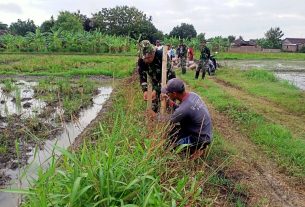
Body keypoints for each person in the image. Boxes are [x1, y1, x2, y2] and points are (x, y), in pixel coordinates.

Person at [161, 78, 213, 159]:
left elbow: (170, 119)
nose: (167, 94)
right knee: (177, 129)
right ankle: (198, 147)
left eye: (168, 93)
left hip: (199, 139)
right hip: (206, 133)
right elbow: (182, 110)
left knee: (170, 146)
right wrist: (169, 101)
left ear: (174, 93)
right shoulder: (192, 95)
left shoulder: (185, 108)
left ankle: (196, 149)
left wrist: (154, 116)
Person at [137, 40, 176, 112]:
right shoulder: (141, 61)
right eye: (145, 58)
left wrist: (156, 90)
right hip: (155, 79)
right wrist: (145, 90)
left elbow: (166, 76)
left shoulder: (162, 56)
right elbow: (142, 76)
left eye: (149, 57)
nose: (147, 60)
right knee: (154, 101)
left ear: (154, 53)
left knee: (167, 100)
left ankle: (170, 116)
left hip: (168, 79)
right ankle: (155, 117)